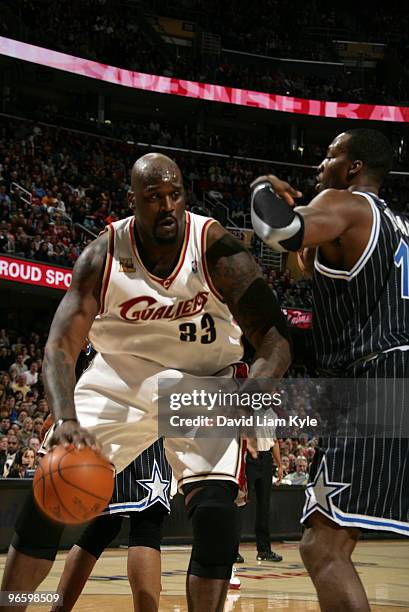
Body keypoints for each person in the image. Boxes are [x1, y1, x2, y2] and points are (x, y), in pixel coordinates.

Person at [1, 153, 291, 612]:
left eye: (175, 194)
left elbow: (274, 337)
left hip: (205, 379)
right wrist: (66, 417)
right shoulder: (102, 254)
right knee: (49, 497)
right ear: (132, 200)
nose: (168, 206)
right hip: (121, 376)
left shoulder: (215, 247)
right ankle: (10, 602)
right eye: (154, 197)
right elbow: (59, 346)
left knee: (216, 515)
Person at [251, 128, 409, 611]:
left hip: (375, 382)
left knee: (322, 547)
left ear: (353, 168)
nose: (320, 166)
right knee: (329, 541)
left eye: (329, 156)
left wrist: (260, 187)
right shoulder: (397, 225)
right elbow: (302, 262)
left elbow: (279, 230)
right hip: (391, 377)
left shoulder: (346, 203)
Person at [236, 419, 283, 563]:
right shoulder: (247, 409)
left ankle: (264, 550)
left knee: (264, 507)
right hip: (248, 457)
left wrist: (280, 465)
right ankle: (232, 550)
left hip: (266, 458)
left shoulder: (271, 414)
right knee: (239, 503)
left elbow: (274, 441)